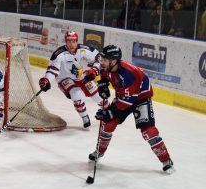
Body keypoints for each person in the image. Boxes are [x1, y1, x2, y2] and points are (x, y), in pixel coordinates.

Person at [89, 45, 174, 174]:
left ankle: (166, 160)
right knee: (108, 124)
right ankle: (99, 152)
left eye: (105, 60)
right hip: (124, 96)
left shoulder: (129, 74)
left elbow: (127, 102)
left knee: (148, 131)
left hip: (140, 98)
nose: (102, 62)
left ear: (114, 61)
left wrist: (109, 112)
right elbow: (104, 76)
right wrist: (103, 85)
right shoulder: (107, 66)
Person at [38, 31, 105, 128]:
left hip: (82, 76)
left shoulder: (85, 50)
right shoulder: (59, 54)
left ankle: (108, 109)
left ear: (77, 41)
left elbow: (99, 58)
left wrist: (94, 70)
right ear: (65, 42)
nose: (71, 44)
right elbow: (52, 70)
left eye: (73, 41)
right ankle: (84, 117)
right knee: (75, 93)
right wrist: (46, 80)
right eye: (69, 41)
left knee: (96, 95)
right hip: (64, 78)